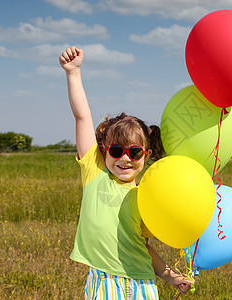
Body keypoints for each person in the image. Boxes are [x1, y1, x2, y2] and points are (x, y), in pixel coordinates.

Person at [59, 46, 192, 299]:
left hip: (143, 283)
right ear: (104, 150)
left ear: (146, 155)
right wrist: (73, 73)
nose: (124, 158)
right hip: (105, 281)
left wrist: (170, 276)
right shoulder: (94, 172)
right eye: (117, 150)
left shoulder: (145, 196)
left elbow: (143, 247)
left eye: (134, 153)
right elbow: (82, 117)